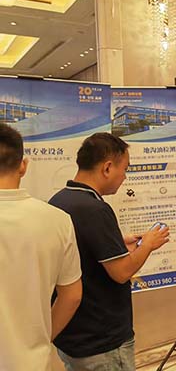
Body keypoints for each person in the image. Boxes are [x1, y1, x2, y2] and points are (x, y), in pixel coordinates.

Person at [49, 132, 170, 371]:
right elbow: (121, 272)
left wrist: (116, 243)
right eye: (124, 169)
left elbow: (80, 250)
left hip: (73, 336)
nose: (124, 177)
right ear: (107, 168)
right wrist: (148, 244)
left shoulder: (59, 200)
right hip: (102, 341)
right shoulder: (95, 209)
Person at [0, 123, 82, 371]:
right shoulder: (58, 220)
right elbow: (72, 295)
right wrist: (41, 339)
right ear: (23, 165)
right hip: (33, 362)